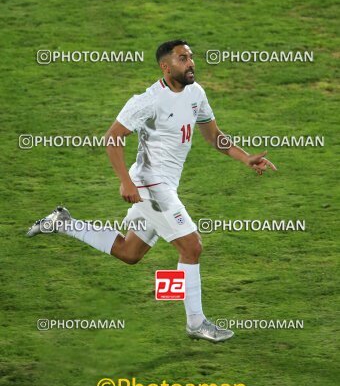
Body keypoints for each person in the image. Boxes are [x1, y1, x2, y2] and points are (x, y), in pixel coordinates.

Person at [27, 39, 276, 343]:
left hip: (166, 185)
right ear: (165, 66)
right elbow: (112, 138)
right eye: (183, 59)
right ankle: (196, 323)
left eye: (191, 58)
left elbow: (214, 137)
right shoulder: (148, 100)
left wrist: (245, 157)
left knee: (129, 253)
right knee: (192, 247)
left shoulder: (196, 94)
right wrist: (126, 182)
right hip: (150, 184)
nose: (191, 63)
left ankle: (64, 223)